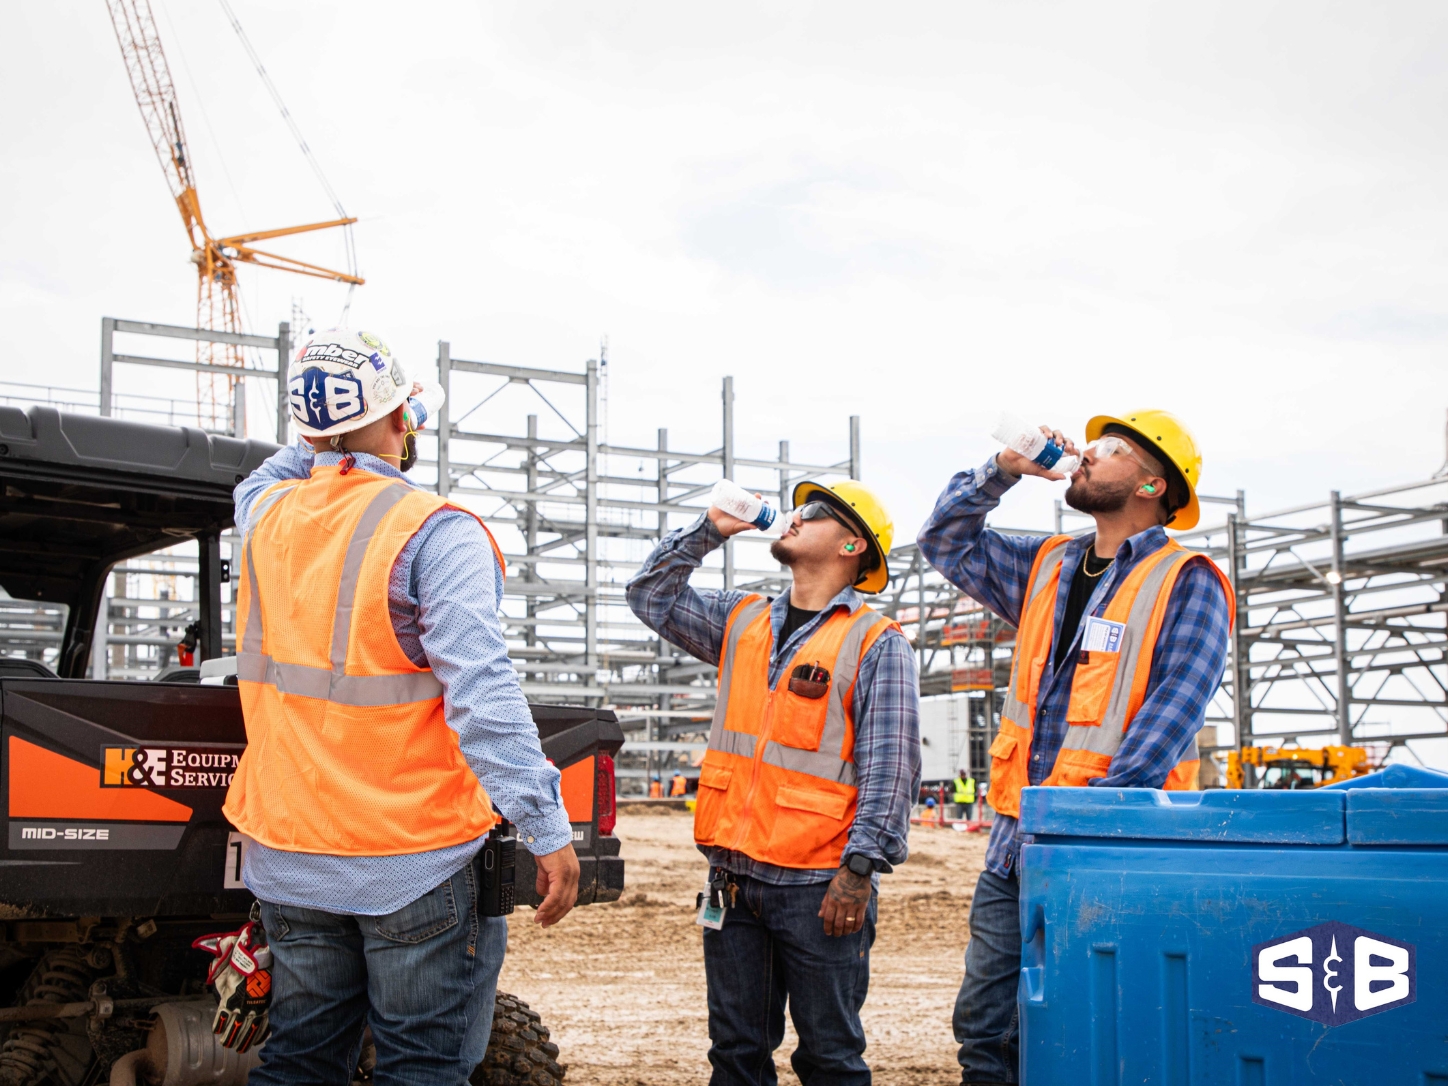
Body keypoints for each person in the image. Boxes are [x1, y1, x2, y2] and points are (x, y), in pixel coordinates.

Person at [222, 329, 580, 1086]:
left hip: (288, 853)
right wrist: (546, 828)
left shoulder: (262, 516)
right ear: (402, 420)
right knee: (420, 1069)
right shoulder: (436, 531)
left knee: (298, 1063)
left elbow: (279, 468)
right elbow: (482, 696)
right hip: (411, 857)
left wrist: (323, 431)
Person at [917, 410, 1232, 1086]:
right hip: (1013, 849)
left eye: (1111, 449)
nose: (1087, 453)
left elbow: (1173, 711)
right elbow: (943, 541)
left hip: (1114, 852)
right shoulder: (1048, 564)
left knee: (1095, 1029)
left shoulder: (1188, 580)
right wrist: (1002, 472)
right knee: (984, 1031)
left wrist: (1087, 826)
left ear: (1151, 484)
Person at [627, 480, 921, 1086]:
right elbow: (650, 594)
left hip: (819, 889)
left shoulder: (876, 643)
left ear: (850, 545)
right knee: (735, 1055)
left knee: (829, 1059)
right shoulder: (743, 619)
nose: (793, 518)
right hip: (733, 881)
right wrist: (709, 529)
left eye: (812, 514)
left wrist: (859, 871)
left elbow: (890, 767)